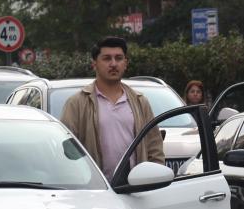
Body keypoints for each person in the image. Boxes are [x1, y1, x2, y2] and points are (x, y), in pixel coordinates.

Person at [60, 36, 165, 181]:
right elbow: (68, 149)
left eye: (119, 58)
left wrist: (154, 179)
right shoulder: (77, 103)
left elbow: (154, 146)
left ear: (125, 63)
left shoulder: (140, 102)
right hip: (95, 187)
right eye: (107, 58)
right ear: (94, 64)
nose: (113, 64)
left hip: (136, 187)